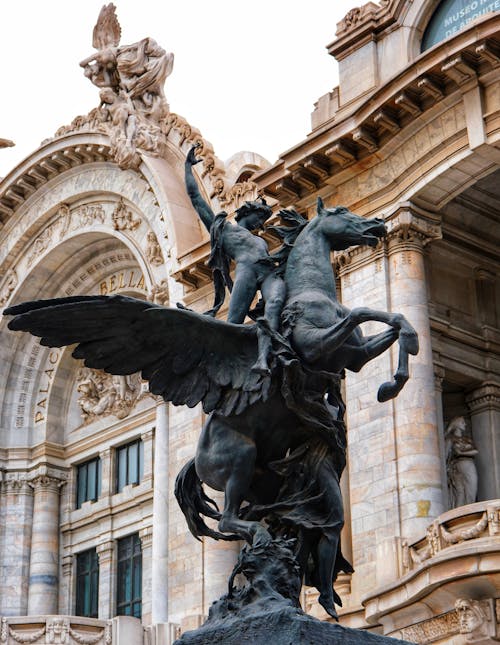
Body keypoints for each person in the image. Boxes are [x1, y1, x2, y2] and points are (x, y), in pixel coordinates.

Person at [185, 144, 286, 374]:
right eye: (259, 218)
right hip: (247, 273)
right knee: (233, 323)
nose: (261, 225)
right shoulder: (225, 230)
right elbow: (196, 199)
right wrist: (187, 168)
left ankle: (263, 357)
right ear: (247, 212)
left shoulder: (261, 241)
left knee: (276, 302)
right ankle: (220, 367)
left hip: (267, 274)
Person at [445, 416, 479, 508]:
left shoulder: (467, 439)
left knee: (472, 488)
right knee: (460, 491)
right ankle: (461, 511)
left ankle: (470, 508)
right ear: (456, 424)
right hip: (458, 465)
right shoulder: (450, 439)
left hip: (469, 464)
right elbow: (445, 456)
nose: (465, 424)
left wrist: (461, 452)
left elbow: (476, 451)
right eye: (462, 422)